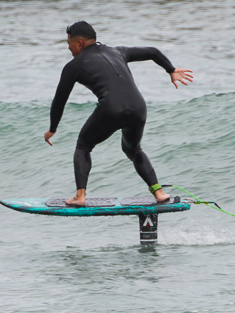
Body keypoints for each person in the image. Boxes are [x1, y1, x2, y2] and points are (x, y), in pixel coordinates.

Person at [44, 21, 193, 207]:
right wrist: (171, 70)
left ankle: (80, 196)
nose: (68, 48)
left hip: (111, 108)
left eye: (69, 43)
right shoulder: (119, 51)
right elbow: (153, 52)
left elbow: (60, 100)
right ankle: (159, 192)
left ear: (80, 43)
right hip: (138, 106)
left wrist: (52, 128)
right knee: (133, 149)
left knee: (83, 145)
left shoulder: (73, 66)